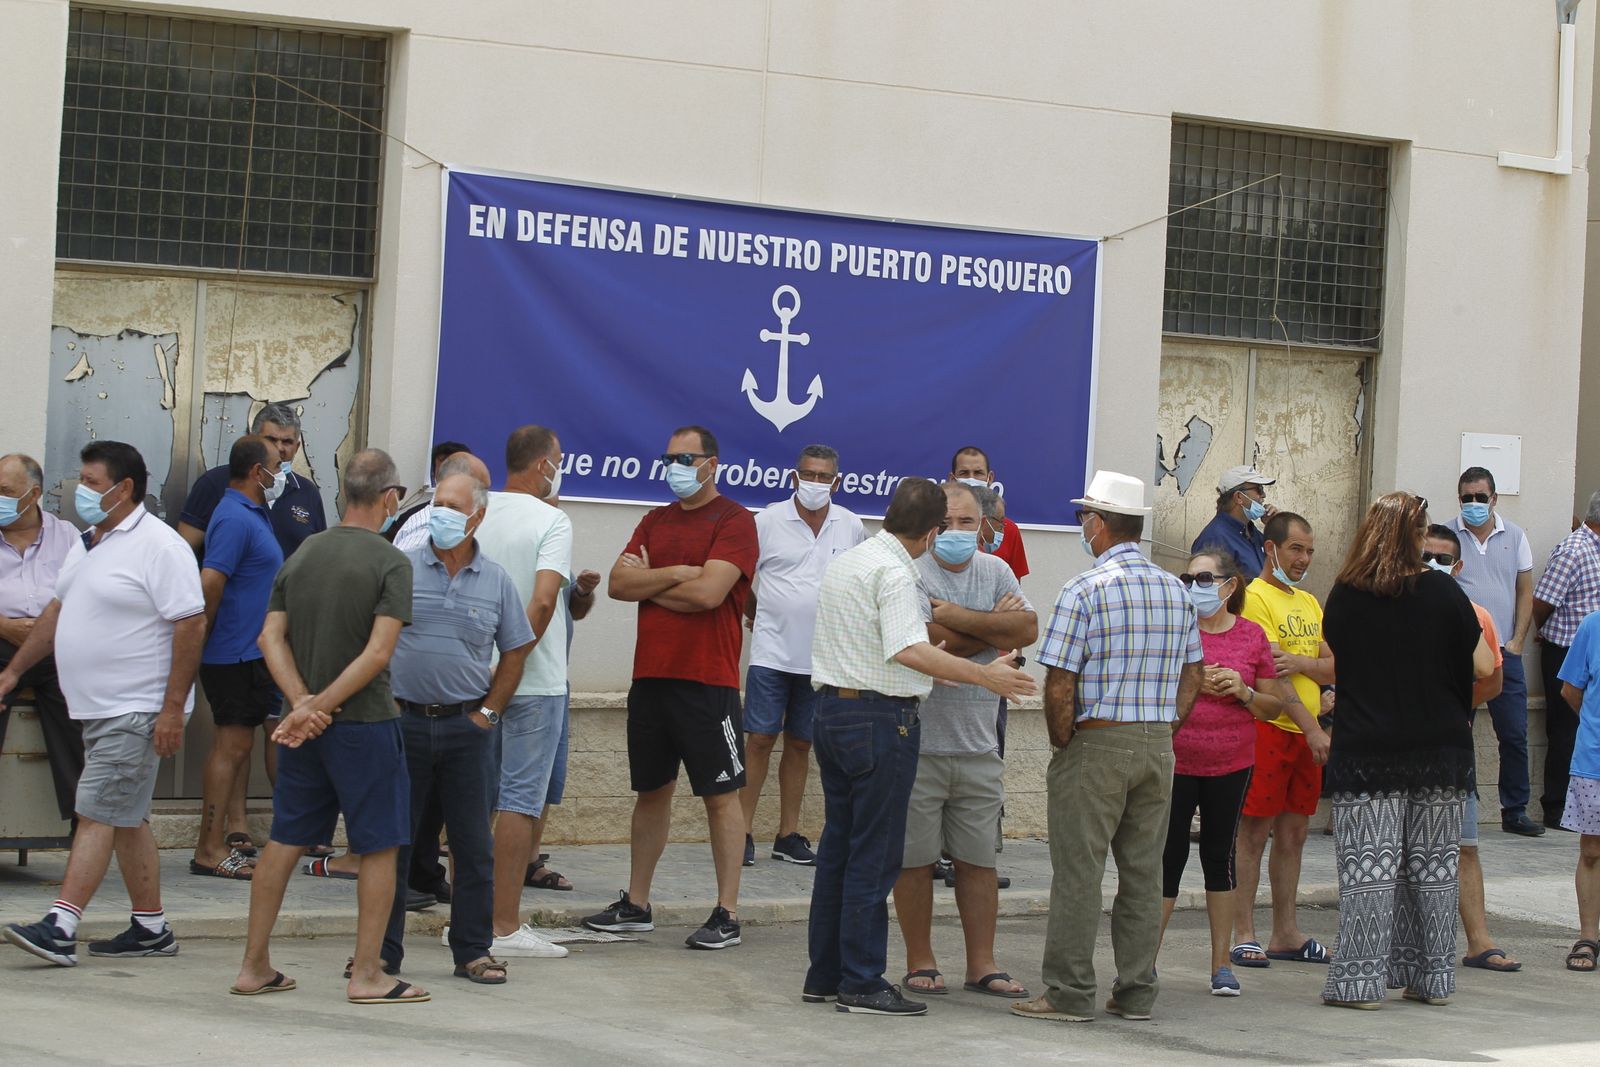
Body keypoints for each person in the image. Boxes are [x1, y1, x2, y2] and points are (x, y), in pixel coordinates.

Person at [804, 478, 1035, 1016]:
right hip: (880, 719)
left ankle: (827, 973)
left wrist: (958, 648)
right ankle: (861, 981)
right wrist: (987, 678)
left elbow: (924, 644)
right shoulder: (896, 573)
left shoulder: (853, 560)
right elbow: (913, 649)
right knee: (875, 856)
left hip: (834, 713)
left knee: (839, 850)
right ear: (932, 533)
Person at [230, 448, 427, 1004]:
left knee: (285, 840)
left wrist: (300, 704)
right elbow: (378, 652)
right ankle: (368, 974)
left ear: (344, 494)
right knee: (381, 847)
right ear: (390, 498)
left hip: (303, 730)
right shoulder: (392, 562)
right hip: (364, 724)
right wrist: (322, 707)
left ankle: (253, 965)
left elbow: (270, 637)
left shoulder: (305, 551)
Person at [1, 441, 204, 967]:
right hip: (99, 707)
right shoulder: (90, 542)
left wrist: (171, 708)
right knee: (125, 817)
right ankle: (151, 928)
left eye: (91, 483)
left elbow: (190, 623)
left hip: (136, 708)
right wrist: (14, 671)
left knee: (93, 812)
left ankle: (61, 925)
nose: (81, 492)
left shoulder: (160, 546)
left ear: (125, 488)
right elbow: (55, 611)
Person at [1013, 470, 1203, 1025]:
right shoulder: (1175, 589)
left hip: (1097, 739)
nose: (1082, 527)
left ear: (1098, 524)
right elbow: (1194, 669)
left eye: (1083, 518)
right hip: (1155, 742)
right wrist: (1169, 724)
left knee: (1079, 870)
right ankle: (1137, 991)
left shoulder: (1084, 589)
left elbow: (1060, 681)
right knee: (1143, 873)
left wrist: (1062, 740)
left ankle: (1070, 993)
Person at [585, 426, 757, 950]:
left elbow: (710, 595)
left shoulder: (735, 520)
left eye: (686, 457)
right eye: (669, 457)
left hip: (708, 681)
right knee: (651, 793)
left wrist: (655, 581)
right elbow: (618, 584)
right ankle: (637, 904)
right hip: (652, 680)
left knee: (721, 798)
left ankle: (727, 911)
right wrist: (680, 571)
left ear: (712, 463)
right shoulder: (654, 520)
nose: (675, 465)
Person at [1320, 492, 1494, 1009]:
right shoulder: (1443, 592)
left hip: (1368, 747)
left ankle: (1360, 983)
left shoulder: (1346, 594)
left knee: (1368, 872)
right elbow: (1485, 668)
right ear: (1416, 537)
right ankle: (1430, 979)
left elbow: (1338, 660)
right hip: (1440, 748)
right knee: (1433, 870)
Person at [382, 472, 535, 986]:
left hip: (467, 730)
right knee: (393, 844)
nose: (441, 513)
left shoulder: (496, 581)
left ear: (477, 516)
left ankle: (473, 950)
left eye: (452, 506)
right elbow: (373, 642)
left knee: (472, 846)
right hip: (403, 724)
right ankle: (380, 954)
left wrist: (488, 714)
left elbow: (515, 651)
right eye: (438, 504)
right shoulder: (400, 568)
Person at [891, 481, 1037, 999]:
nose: (955, 532)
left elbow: (1024, 629)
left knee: (980, 862)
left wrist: (949, 615)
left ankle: (983, 966)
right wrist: (990, 632)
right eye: (947, 522)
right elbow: (923, 641)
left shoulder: (997, 570)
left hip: (979, 744)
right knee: (914, 860)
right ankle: (921, 961)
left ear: (985, 526)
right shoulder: (908, 571)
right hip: (919, 742)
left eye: (967, 523)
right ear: (931, 525)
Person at [176, 402, 329, 857]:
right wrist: (200, 631)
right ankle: (223, 836)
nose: (281, 455)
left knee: (280, 729)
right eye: (271, 445)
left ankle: (290, 829)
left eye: (289, 444)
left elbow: (312, 558)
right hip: (238, 645)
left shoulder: (286, 499)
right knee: (235, 739)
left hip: (280, 640)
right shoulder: (226, 498)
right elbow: (198, 567)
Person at [1157, 548, 1288, 997]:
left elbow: (1273, 707)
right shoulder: (1174, 630)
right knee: (1166, 857)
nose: (1196, 587)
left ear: (1230, 586)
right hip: (1174, 760)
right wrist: (1190, 681)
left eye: (1205, 579)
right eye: (1189, 578)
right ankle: (1144, 962)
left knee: (1219, 857)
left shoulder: (1252, 636)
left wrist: (1243, 690)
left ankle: (1220, 964)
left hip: (1231, 763)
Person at [474, 426, 573, 959]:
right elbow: (541, 603)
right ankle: (504, 927)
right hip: (532, 681)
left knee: (475, 802)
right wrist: (512, 668)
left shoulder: (477, 511)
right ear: (542, 466)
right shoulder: (552, 520)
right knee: (517, 803)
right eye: (558, 460)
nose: (561, 467)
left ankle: (471, 922)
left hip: (475, 678)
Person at [741, 444, 865, 868]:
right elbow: (740, 576)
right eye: (807, 475)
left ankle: (787, 835)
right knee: (758, 740)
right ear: (794, 477)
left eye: (823, 477)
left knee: (800, 744)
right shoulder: (767, 520)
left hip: (822, 658)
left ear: (838, 481)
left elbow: (860, 585)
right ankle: (738, 833)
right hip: (771, 654)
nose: (815, 483)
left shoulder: (851, 526)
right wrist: (754, 614)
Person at [1230, 512, 1335, 969]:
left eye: (1309, 550)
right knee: (1253, 831)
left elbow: (1333, 663)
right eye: (1295, 548)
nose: (1303, 558)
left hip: (1307, 735)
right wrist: (1312, 726)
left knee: (1294, 834)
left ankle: (1285, 931)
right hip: (1271, 730)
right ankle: (1243, 931)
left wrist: (1303, 663)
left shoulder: (1311, 603)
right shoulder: (1254, 598)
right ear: (1270, 548)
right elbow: (1271, 674)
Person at [1424, 524, 1520, 973]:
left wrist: (1453, 704)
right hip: (1399, 749)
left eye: (1443, 559)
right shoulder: (1395, 608)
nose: (1434, 565)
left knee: (1464, 845)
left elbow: (1493, 680)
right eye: (1427, 555)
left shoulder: (1477, 615)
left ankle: (1479, 942)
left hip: (1453, 750)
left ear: (1458, 566)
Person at [189, 436, 286, 880]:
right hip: (232, 653)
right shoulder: (231, 516)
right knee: (230, 746)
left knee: (239, 744)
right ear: (255, 472)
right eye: (275, 465)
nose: (281, 472)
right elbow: (211, 581)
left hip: (252, 651)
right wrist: (203, 638)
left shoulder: (253, 513)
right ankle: (208, 850)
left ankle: (212, 848)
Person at [1447, 466, 1544, 836]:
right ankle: (1460, 803)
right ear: (1459, 499)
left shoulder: (1515, 536)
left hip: (1504, 651)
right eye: (1466, 498)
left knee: (1514, 733)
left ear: (1494, 498)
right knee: (1457, 728)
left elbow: (1525, 592)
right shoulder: (1446, 536)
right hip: (1458, 654)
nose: (1473, 504)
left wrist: (1518, 639)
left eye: (1480, 497)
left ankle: (1515, 809)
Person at [0, 452, 85, 822]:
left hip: (54, 647)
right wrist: (4, 625)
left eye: (3, 491)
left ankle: (83, 822)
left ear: (32, 494)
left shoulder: (67, 537)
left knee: (79, 711)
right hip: (1, 644)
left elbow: (85, 597)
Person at [1532, 490, 1600, 830]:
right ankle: (1555, 808)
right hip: (1565, 651)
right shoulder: (1575, 550)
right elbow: (1543, 601)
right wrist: (1542, 631)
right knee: (1565, 731)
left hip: (1592, 654)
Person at [1556, 608, 1600, 972]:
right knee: (1592, 851)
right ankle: (1588, 937)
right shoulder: (1592, 625)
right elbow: (1571, 690)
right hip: (1594, 759)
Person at [950, 446, 1029, 579]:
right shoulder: (938, 528)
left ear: (990, 478)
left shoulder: (1007, 529)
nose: (971, 479)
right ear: (953, 479)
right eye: (964, 473)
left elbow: (1014, 591)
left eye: (978, 473)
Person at [1191, 466, 1276, 580]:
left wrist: (1275, 526)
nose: (1263, 495)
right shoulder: (1214, 539)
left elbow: (1280, 568)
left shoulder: (1252, 532)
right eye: (1258, 489)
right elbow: (1209, 590)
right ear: (1239, 497)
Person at [390, 441, 473, 550]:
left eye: (456, 471)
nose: (451, 479)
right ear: (434, 475)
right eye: (444, 472)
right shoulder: (409, 520)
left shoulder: (484, 517)